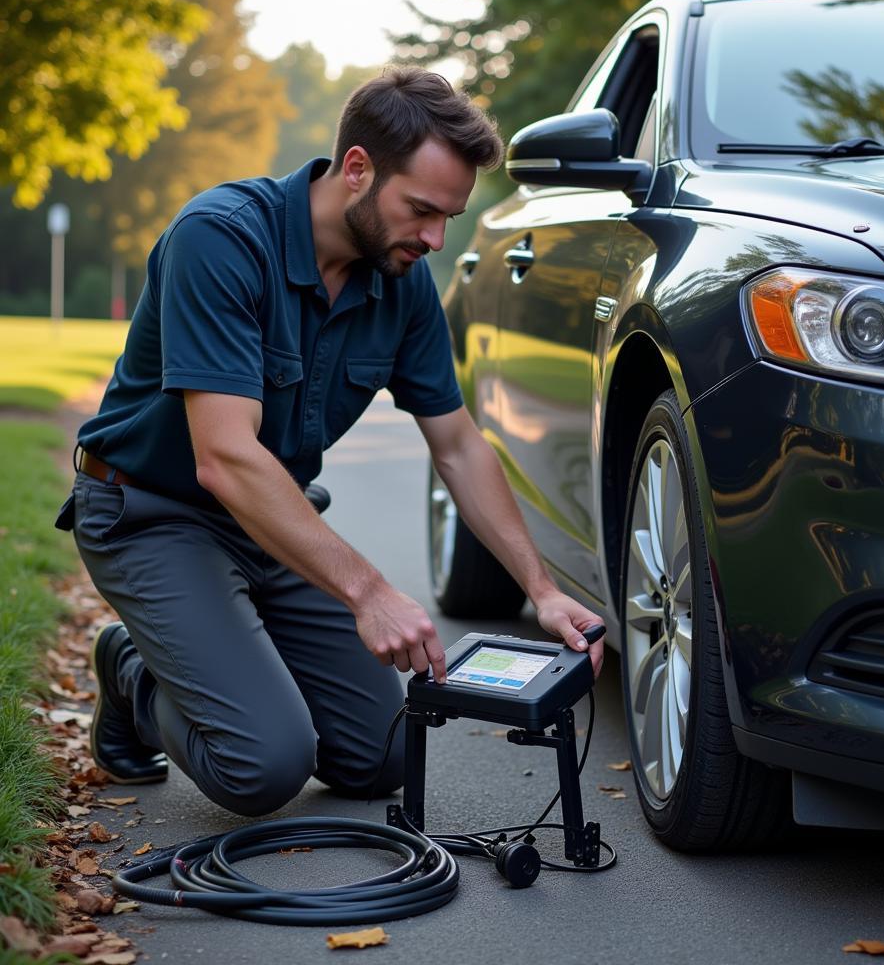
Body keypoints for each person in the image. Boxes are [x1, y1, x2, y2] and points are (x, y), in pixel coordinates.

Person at [55, 67, 606, 817]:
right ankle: (133, 673)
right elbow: (224, 458)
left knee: (379, 755)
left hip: (271, 524)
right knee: (264, 766)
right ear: (356, 170)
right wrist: (369, 592)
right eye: (421, 210)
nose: (437, 240)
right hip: (151, 514)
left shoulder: (401, 278)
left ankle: (231, 659)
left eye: (450, 217)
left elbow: (458, 445)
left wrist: (541, 590)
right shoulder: (219, 240)